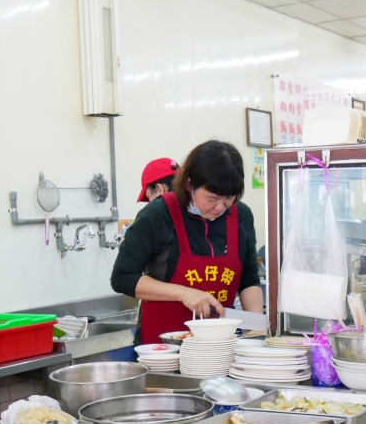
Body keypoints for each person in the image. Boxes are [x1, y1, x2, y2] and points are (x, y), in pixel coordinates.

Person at [111, 140, 263, 344]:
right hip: (164, 348)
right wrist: (184, 293)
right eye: (211, 199)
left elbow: (249, 280)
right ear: (190, 184)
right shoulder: (158, 214)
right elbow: (123, 277)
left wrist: (257, 333)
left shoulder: (241, 216)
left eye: (229, 200)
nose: (220, 208)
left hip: (220, 345)